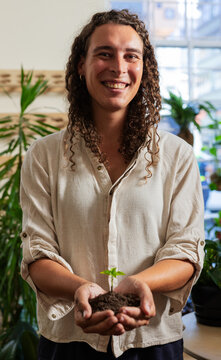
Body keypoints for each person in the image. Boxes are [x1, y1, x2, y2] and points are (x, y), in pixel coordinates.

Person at [20, 9, 205, 360]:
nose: (118, 68)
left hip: (153, 343)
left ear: (143, 68)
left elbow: (186, 249)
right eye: (104, 53)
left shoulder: (176, 156)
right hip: (69, 343)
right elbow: (37, 254)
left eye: (131, 56)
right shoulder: (44, 156)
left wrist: (143, 285)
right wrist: (80, 289)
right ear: (80, 64)